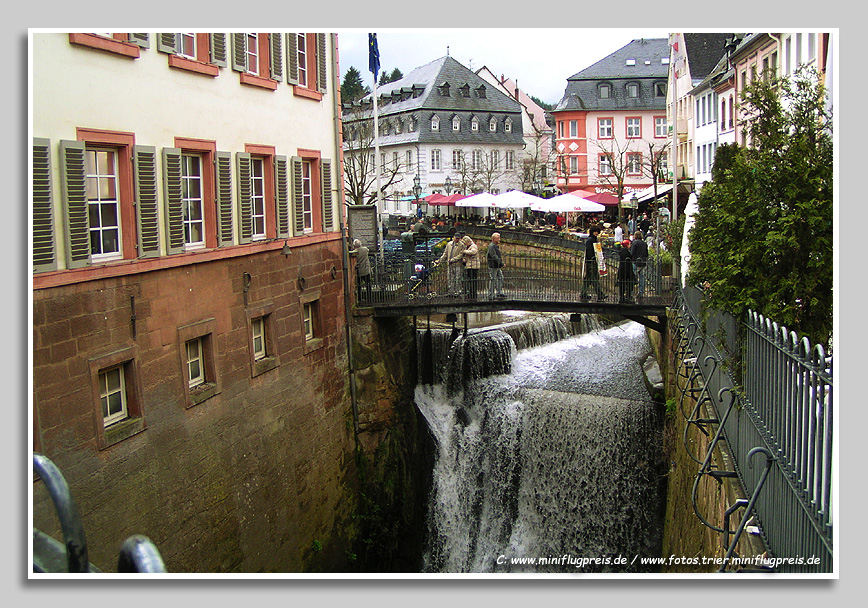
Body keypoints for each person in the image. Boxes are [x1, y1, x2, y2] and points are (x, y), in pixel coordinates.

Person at [580, 225, 606, 301]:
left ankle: (583, 294)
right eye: (596, 232)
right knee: (594, 278)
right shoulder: (590, 240)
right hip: (591, 262)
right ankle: (600, 294)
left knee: (588, 279)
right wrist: (593, 259)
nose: (597, 233)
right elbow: (590, 252)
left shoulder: (592, 240)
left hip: (592, 261)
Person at [631, 230, 649, 299]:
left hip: (636, 262)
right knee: (642, 278)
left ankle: (631, 292)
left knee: (633, 277)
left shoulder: (634, 243)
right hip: (643, 262)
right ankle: (641, 292)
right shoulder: (644, 243)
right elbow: (647, 253)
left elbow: (632, 253)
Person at [461, 234, 480, 299]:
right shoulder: (468, 246)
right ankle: (470, 292)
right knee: (470, 280)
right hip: (469, 265)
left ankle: (473, 293)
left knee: (473, 280)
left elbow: (473, 252)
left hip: (473, 266)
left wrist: (464, 251)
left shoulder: (473, 246)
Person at [486, 232, 505, 298]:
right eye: (498, 238)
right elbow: (494, 256)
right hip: (493, 265)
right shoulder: (491, 246)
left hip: (497, 265)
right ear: (494, 239)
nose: (499, 239)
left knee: (500, 277)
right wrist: (501, 263)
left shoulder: (495, 245)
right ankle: (491, 294)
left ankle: (499, 292)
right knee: (493, 279)